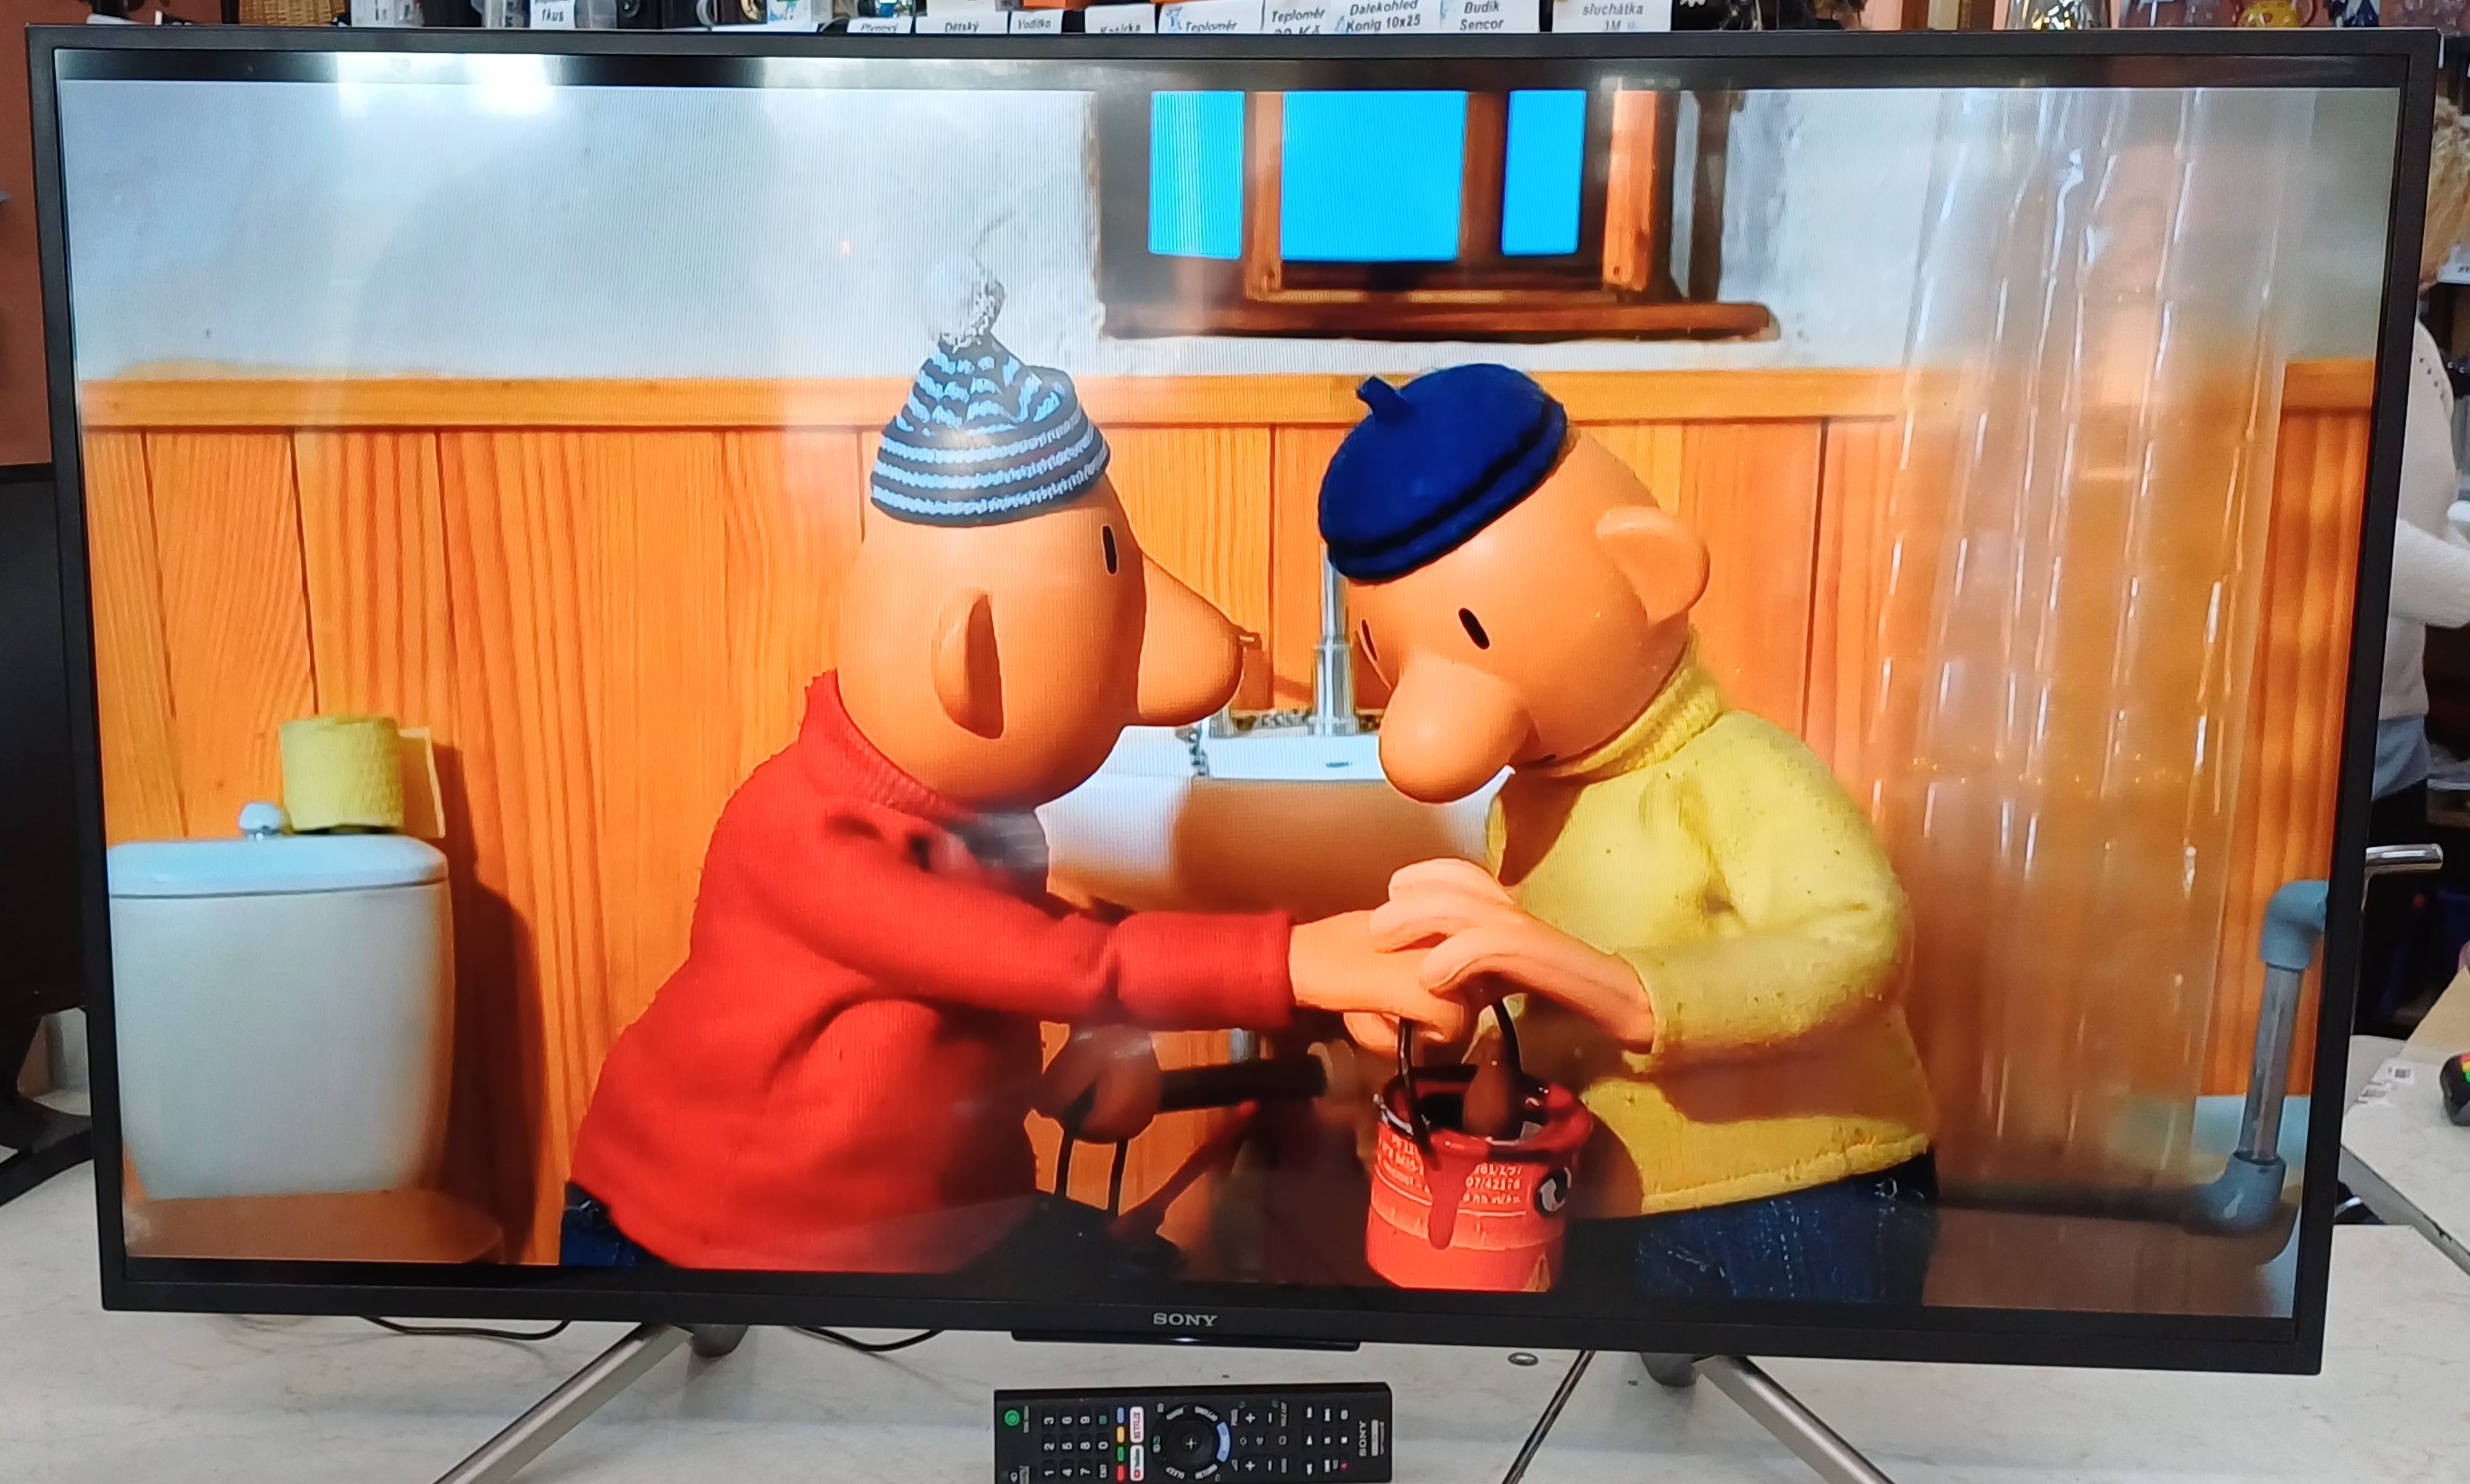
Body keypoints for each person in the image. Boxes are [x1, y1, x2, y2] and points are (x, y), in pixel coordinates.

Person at [561, 269, 1460, 1273]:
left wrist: (1109, 1029)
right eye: (1113, 591)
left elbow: (1019, 949)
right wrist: (1299, 960)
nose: (1199, 654)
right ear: (971, 661)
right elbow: (1061, 959)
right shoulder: (805, 836)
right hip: (716, 1248)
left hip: (932, 1229)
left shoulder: (974, 816)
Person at [1319, 364, 1938, 1306]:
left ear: (1648, 572)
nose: (1418, 719)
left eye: (1471, 635)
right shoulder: (1527, 803)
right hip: (1602, 1201)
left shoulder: (1735, 768)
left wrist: (1619, 987)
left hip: (1795, 1191)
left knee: (1795, 1393)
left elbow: (1860, 942)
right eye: (1389, 656)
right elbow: (1543, 1007)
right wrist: (1439, 1015)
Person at [2360, 105, 2470, 1036]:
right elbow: (2362, 543)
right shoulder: (2342, 330)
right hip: (2329, 733)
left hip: (2395, 726)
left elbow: (2424, 508)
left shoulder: (2417, 338)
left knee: (2367, 990)